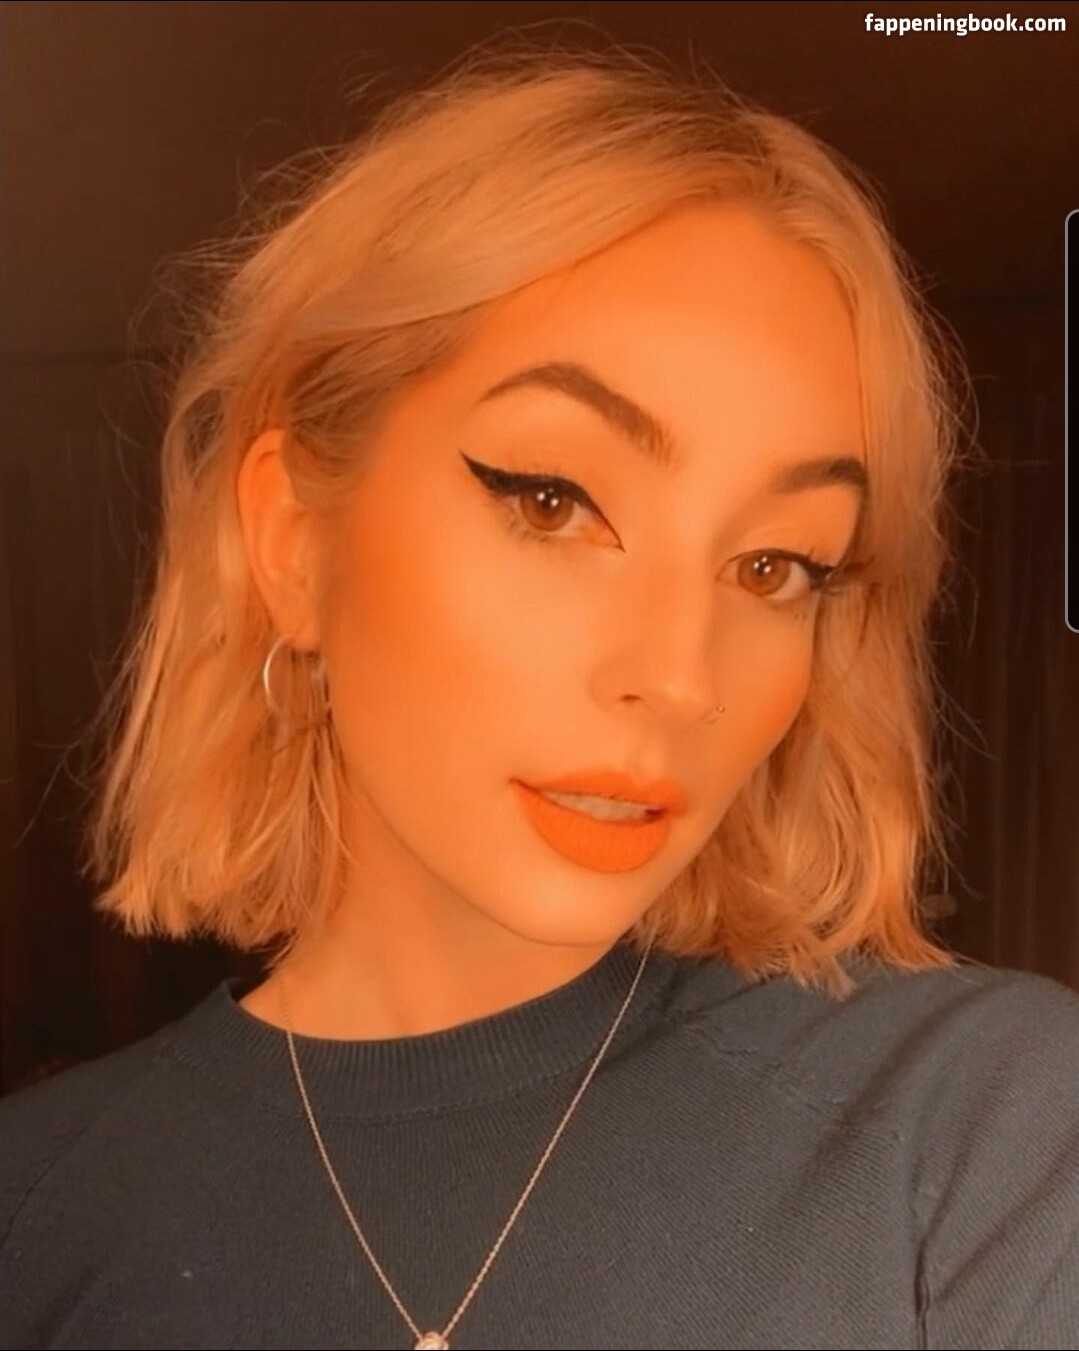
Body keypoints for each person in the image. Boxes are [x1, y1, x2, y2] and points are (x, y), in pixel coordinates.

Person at [2, 43, 1077, 1351]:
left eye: (775, 565)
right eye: (556, 501)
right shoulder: (37, 1215)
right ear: (295, 543)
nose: (678, 676)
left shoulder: (993, 1134)